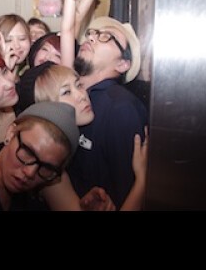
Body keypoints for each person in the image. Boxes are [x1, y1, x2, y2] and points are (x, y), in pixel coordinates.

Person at [61, 0, 149, 209]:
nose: (91, 37)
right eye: (92, 33)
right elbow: (68, 29)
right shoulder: (72, 88)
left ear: (123, 64)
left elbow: (125, 191)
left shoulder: (121, 108)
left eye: (106, 37)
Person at [0, 101, 112, 211]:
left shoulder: (32, 202)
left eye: (47, 168)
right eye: (28, 152)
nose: (30, 173)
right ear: (10, 133)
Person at [17, 61, 148, 211]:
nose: (82, 95)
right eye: (66, 92)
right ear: (45, 107)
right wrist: (142, 180)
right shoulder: (47, 169)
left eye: (78, 85)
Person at [0, 14, 31, 79]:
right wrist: (6, 68)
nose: (17, 46)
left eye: (22, 39)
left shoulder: (29, 75)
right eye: (8, 40)